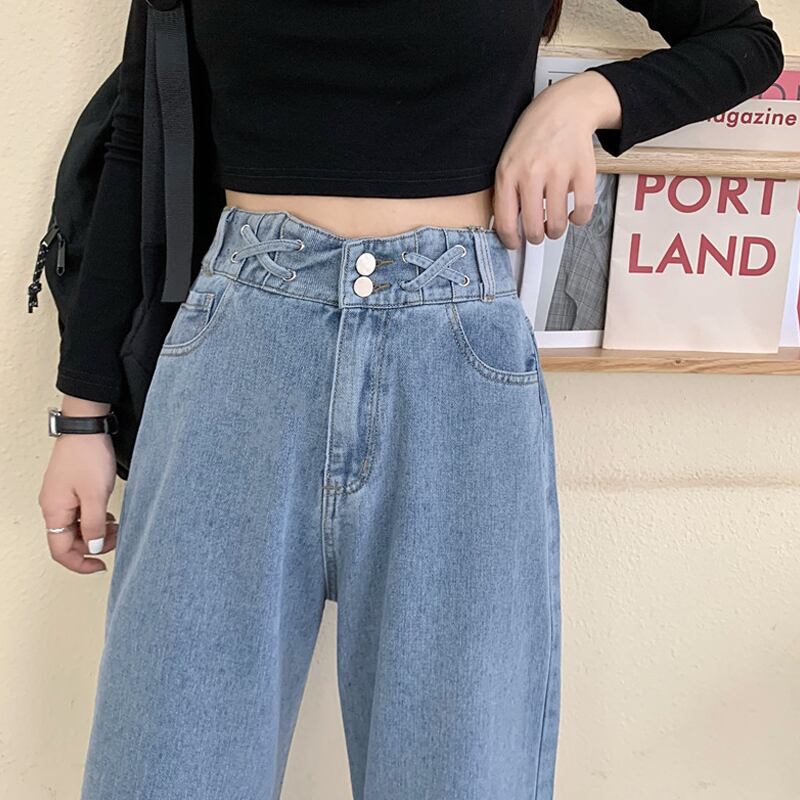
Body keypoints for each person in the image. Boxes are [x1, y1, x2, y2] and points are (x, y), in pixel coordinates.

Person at [37, 1, 783, 798]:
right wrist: (82, 412)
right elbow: (139, 137)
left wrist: (584, 100)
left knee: (459, 775)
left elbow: (744, 43)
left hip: (454, 370)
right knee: (166, 771)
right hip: (239, 357)